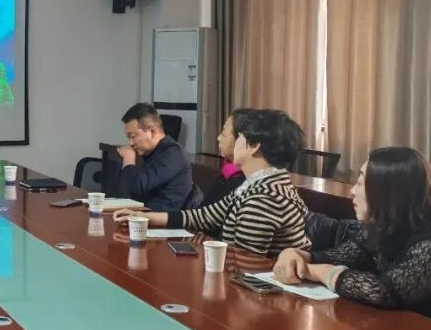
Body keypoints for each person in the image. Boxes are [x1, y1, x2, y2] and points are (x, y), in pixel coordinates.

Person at [274, 147, 431, 329]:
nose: (352, 191)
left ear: (387, 193)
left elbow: (382, 291)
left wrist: (319, 271)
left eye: (360, 183)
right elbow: (341, 256)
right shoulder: (385, 226)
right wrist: (296, 254)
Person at [116, 109, 310, 256]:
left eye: (241, 137)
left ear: (254, 146)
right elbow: (204, 216)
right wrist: (144, 217)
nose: (234, 141)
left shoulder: (265, 198)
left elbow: (246, 264)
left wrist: (201, 248)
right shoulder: (254, 186)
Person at [106, 103, 193, 211]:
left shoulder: (173, 153)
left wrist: (129, 158)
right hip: (140, 215)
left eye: (133, 136)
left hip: (158, 219)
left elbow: (133, 188)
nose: (131, 143)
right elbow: (125, 192)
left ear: (152, 131)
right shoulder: (152, 153)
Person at [201, 108, 254, 207]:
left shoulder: (241, 184)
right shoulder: (228, 171)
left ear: (243, 140)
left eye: (224, 134)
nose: (218, 138)